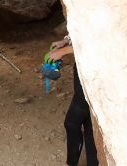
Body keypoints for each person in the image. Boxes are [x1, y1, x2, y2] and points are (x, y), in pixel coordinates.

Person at [49, 36, 99, 166]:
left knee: (72, 122)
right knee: (89, 123)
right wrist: (66, 41)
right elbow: (82, 29)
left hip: (94, 74)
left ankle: (71, 164)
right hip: (83, 69)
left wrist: (64, 51)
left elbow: (99, 42)